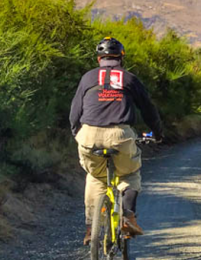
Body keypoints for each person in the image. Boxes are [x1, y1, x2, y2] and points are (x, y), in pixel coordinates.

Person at [69, 37, 163, 245]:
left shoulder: (87, 78)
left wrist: (78, 134)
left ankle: (90, 229)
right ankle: (128, 217)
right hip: (120, 136)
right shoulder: (129, 79)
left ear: (98, 59)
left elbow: (75, 112)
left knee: (95, 177)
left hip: (88, 136)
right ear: (121, 58)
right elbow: (148, 109)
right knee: (130, 173)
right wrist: (157, 133)